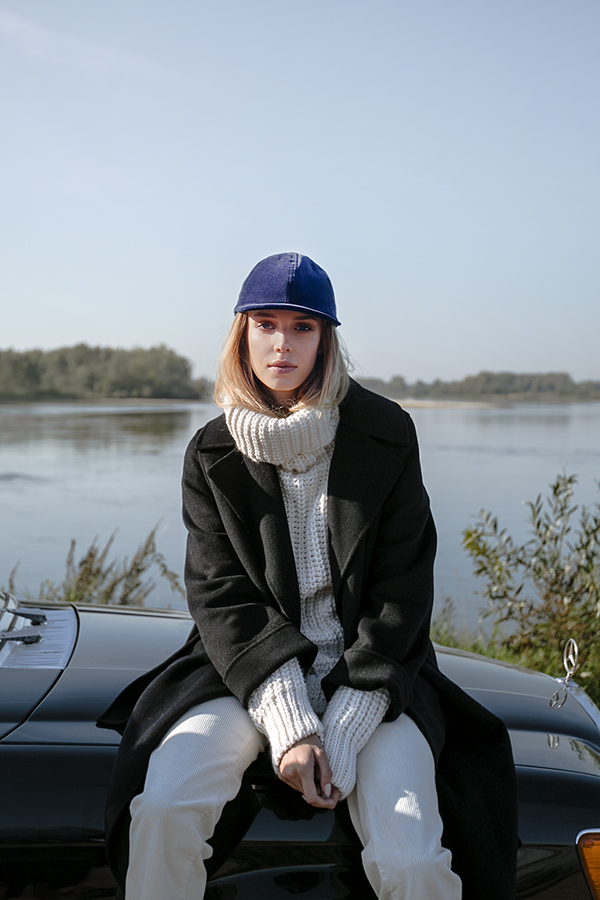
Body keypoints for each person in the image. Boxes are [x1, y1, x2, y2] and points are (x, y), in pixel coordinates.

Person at [98, 252, 518, 900]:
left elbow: (402, 594)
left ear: (326, 340)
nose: (282, 344)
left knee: (412, 860)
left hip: (373, 676)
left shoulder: (386, 433)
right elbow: (222, 598)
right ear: (242, 334)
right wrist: (292, 724)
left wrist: (344, 728)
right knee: (161, 812)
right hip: (246, 673)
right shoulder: (210, 451)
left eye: (302, 327)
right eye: (265, 324)